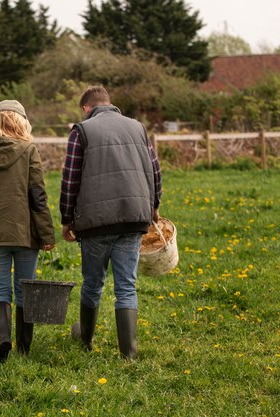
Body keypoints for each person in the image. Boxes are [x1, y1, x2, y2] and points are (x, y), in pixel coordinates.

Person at [59, 86, 162, 360]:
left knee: (93, 283)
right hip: (133, 217)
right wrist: (154, 206)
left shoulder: (81, 130)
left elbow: (70, 178)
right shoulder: (137, 127)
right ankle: (128, 353)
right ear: (109, 103)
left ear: (86, 108)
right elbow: (154, 169)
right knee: (126, 286)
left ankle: (86, 339)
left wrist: (66, 219)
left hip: (95, 223)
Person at [0, 100, 55, 364]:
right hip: (25, 232)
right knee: (25, 289)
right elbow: (37, 196)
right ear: (22, 121)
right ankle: (25, 347)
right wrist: (47, 235)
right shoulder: (28, 150)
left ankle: (3, 340)